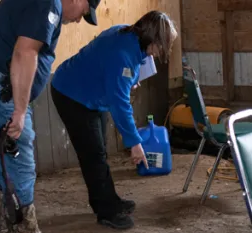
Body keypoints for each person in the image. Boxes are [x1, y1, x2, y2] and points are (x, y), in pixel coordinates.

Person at [0, 0, 101, 232]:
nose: (77, 20)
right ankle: (25, 227)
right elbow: (25, 52)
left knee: (3, 165)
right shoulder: (48, 3)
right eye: (83, 12)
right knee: (21, 168)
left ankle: (1, 226)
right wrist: (20, 111)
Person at [50, 10, 178, 230]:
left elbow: (118, 71)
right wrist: (135, 143)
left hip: (91, 94)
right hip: (72, 95)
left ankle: (110, 199)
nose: (159, 53)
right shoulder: (123, 56)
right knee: (94, 155)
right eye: (161, 46)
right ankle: (106, 211)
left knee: (99, 151)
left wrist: (129, 79)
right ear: (152, 39)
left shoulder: (127, 34)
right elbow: (120, 104)